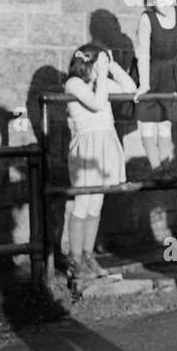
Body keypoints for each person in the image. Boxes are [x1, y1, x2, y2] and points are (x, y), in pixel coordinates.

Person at [63, 44, 136, 282]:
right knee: (83, 203)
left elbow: (130, 89)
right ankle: (75, 261)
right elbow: (96, 103)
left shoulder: (99, 81)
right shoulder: (74, 83)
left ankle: (88, 255)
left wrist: (112, 66)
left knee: (96, 204)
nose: (103, 68)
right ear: (88, 63)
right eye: (100, 62)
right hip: (86, 147)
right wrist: (103, 75)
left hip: (105, 143)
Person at [134, 0, 177, 178]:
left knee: (165, 123)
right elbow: (143, 53)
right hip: (150, 70)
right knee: (148, 124)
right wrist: (144, 84)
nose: (165, 2)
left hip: (172, 71)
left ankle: (166, 168)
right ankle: (156, 169)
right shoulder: (147, 19)